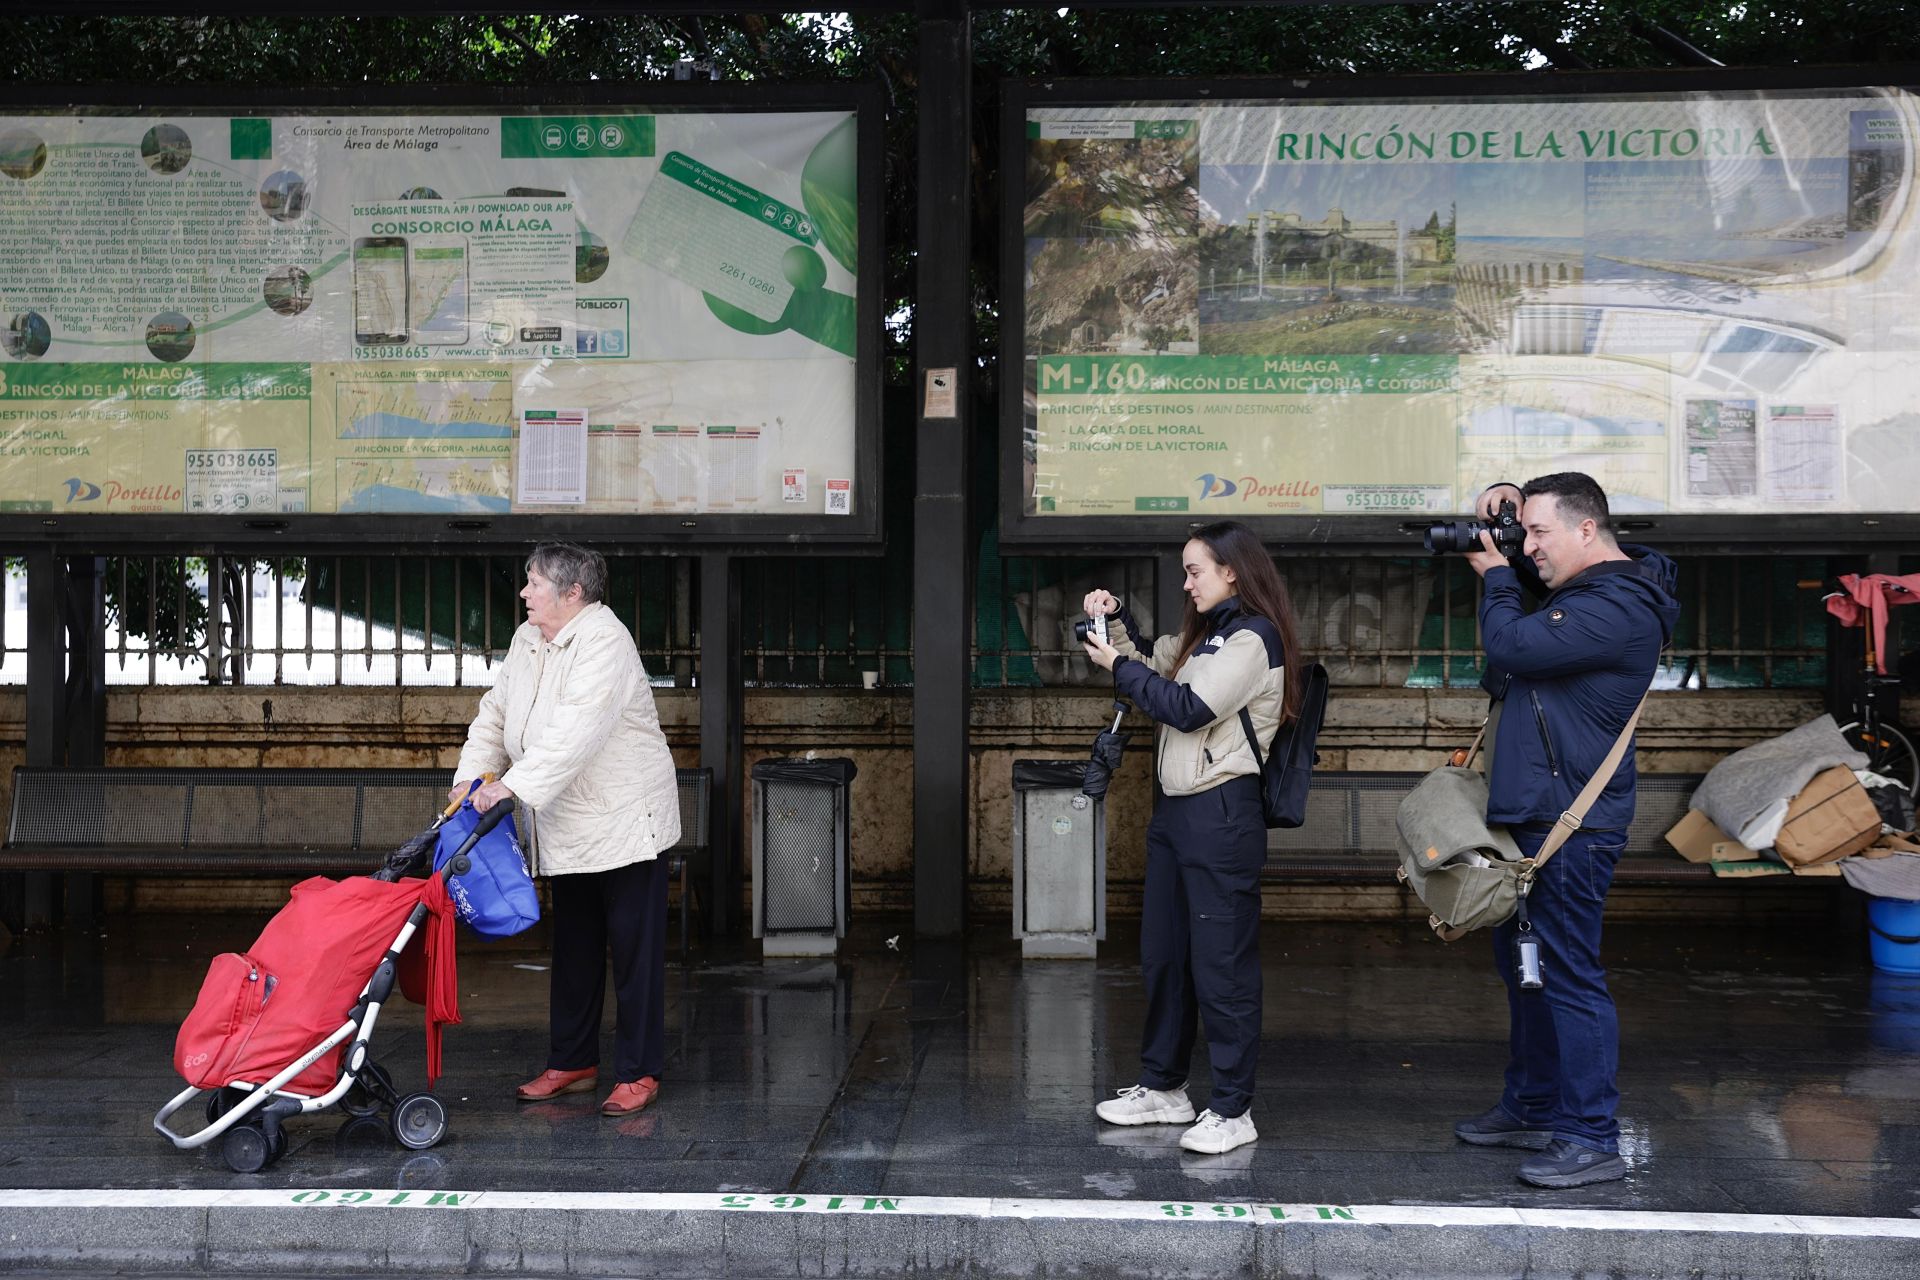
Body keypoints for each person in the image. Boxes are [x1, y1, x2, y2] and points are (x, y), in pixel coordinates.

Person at [1454, 473, 1679, 1188]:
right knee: (1526, 971)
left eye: (1541, 532)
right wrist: (1509, 513)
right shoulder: (1583, 594)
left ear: (1587, 530)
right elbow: (1520, 651)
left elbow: (1514, 648)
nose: (1530, 547)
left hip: (1571, 828)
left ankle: (1591, 1136)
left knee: (1570, 975)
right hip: (1533, 817)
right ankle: (1533, 1104)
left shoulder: (1620, 603)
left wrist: (1495, 576)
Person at [1079, 520, 1301, 1155]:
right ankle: (1166, 1087)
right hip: (1177, 812)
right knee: (1166, 956)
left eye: (1195, 570)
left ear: (1233, 571)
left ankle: (1233, 1109)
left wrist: (1118, 663)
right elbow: (1157, 668)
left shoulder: (1254, 639)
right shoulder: (1204, 638)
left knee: (1221, 965)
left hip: (1222, 813)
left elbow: (1186, 707)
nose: (1186, 582)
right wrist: (1113, 626)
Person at [452, 543, 681, 1117]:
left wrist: (512, 787)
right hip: (566, 822)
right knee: (575, 949)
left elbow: (577, 731)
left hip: (627, 822)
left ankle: (640, 1071)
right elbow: (495, 714)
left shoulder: (606, 642)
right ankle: (573, 1060)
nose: (525, 593)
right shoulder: (528, 640)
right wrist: (472, 777)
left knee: (634, 955)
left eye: (534, 583)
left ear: (572, 592)